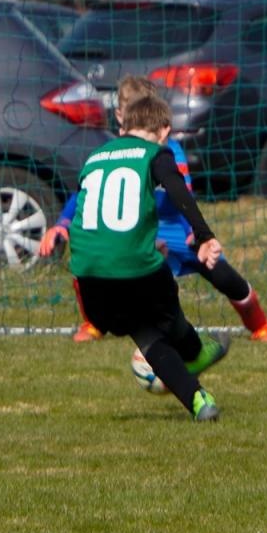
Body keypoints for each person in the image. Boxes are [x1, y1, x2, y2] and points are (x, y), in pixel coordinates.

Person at [41, 75, 267, 342]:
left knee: (221, 273)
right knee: (95, 263)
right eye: (133, 112)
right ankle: (95, 323)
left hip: (174, 228)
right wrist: (62, 223)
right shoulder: (107, 153)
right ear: (120, 115)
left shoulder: (169, 153)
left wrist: (195, 233)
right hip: (133, 234)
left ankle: (260, 324)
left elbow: (182, 196)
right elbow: (84, 193)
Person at [66, 94, 231, 421]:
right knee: (169, 318)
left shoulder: (95, 157)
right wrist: (204, 235)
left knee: (145, 332)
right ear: (164, 130)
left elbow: (95, 214)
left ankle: (199, 401)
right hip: (137, 270)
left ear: (123, 125)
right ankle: (196, 352)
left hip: (88, 280)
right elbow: (177, 188)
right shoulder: (156, 153)